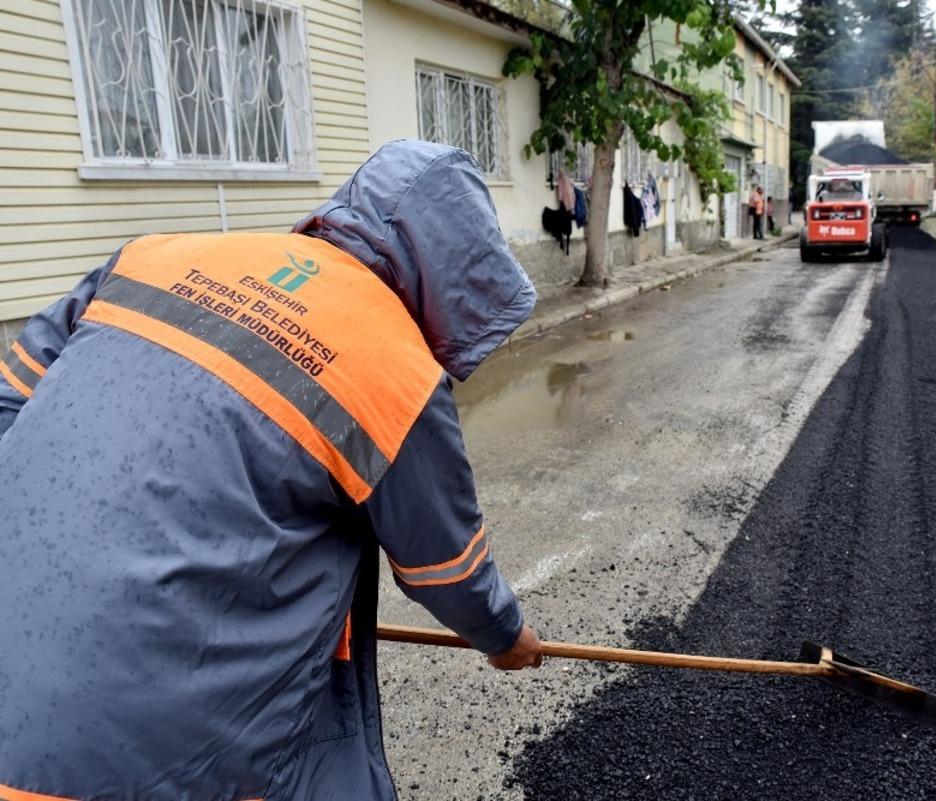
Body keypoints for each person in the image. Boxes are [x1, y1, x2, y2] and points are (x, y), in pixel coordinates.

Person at [0, 140, 544, 801]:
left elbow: (11, 401)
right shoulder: (393, 367)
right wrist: (506, 636)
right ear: (453, 273)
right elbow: (447, 568)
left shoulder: (151, 257)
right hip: (155, 753)